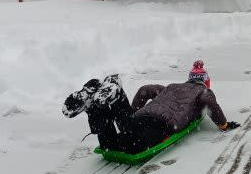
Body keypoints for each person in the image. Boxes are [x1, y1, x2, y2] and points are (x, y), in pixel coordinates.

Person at [63, 63, 240, 153]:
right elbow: (209, 100)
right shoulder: (202, 92)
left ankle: (94, 107)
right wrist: (223, 125)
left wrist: (133, 112)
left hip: (141, 116)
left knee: (110, 143)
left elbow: (145, 90)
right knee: (134, 142)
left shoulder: (170, 87)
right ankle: (117, 96)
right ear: (206, 82)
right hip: (162, 125)